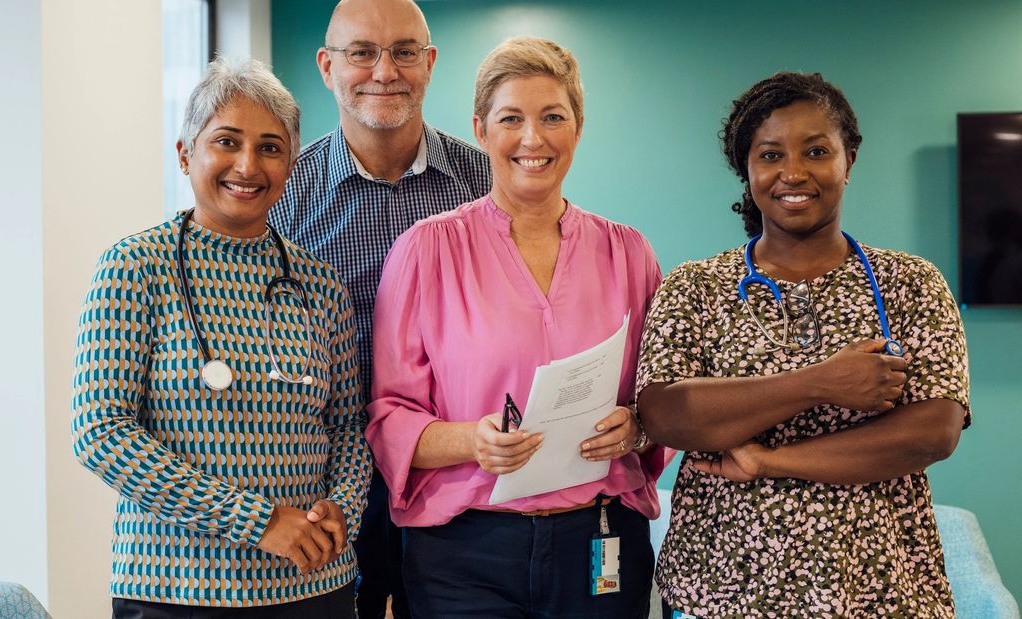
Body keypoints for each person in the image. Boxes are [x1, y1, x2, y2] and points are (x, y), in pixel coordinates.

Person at [635, 72, 970, 618]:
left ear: (849, 160)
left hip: (878, 587)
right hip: (724, 589)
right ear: (747, 169)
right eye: (770, 155)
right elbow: (668, 415)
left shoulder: (909, 283)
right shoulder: (696, 287)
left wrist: (769, 459)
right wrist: (821, 382)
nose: (793, 172)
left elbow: (932, 433)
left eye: (816, 151)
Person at [367, 36, 668, 618]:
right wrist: (471, 442)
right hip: (464, 558)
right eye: (511, 118)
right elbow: (389, 417)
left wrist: (635, 429)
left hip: (600, 545)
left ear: (578, 129)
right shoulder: (426, 251)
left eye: (553, 117)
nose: (533, 138)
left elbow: (661, 401)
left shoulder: (628, 253)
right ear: (481, 130)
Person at [72, 56, 372, 618]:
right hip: (175, 590)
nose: (247, 164)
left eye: (270, 147)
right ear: (186, 154)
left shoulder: (321, 285)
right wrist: (258, 523)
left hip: (311, 585)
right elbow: (101, 434)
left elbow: (348, 426)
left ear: (289, 167)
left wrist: (342, 511)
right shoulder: (134, 268)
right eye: (227, 141)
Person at [269, 0, 491, 616]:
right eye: (362, 52)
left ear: (430, 63)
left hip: (455, 470)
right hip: (327, 480)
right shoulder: (284, 195)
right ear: (326, 66)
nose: (384, 70)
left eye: (404, 52)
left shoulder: (488, 185)